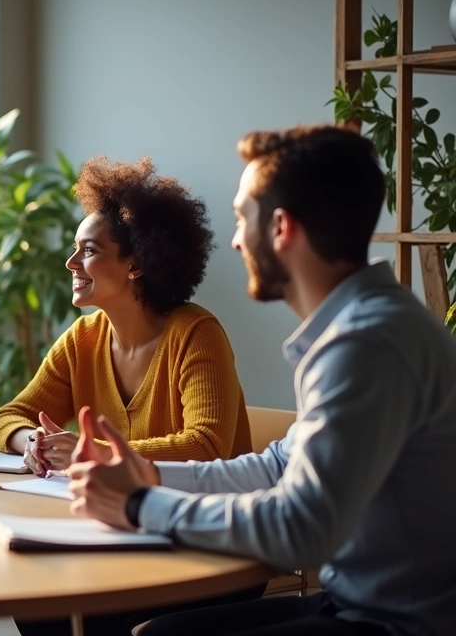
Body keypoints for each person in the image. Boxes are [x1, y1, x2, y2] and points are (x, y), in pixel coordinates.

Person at [68, 125, 456, 636]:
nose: (234, 241)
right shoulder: (367, 325)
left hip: (396, 623)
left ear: (280, 228)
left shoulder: (365, 344)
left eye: (240, 219)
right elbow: (277, 466)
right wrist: (148, 474)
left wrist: (140, 504)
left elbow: (302, 530)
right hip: (353, 600)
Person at [0, 156, 252, 478]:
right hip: (119, 505)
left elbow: (206, 446)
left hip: (207, 507)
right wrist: (33, 441)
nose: (71, 262)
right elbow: (3, 419)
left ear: (135, 264)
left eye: (89, 250)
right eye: (74, 248)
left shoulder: (195, 334)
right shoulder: (82, 339)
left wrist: (93, 451)